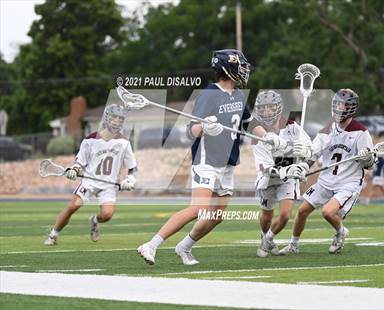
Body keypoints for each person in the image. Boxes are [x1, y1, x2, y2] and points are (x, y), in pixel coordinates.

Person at [137, 49, 299, 265]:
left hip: (227, 163)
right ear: (228, 68)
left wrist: (269, 137)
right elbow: (189, 130)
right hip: (207, 160)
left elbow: (249, 123)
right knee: (198, 209)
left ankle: (184, 247)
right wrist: (203, 126)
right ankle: (151, 244)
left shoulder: (239, 95)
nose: (243, 70)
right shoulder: (209, 94)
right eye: (240, 65)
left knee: (217, 215)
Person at [279, 88, 375, 255]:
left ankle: (341, 232)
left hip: (348, 182)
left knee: (328, 212)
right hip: (326, 180)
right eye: (336, 104)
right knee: (302, 211)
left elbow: (369, 165)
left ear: (350, 108)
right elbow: (314, 153)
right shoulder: (327, 129)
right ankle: (293, 245)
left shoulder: (361, 132)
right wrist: (303, 167)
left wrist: (366, 157)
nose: (338, 108)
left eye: (342, 105)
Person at [44, 104, 137, 245]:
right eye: (114, 118)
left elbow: (132, 167)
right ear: (106, 118)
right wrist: (74, 170)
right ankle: (53, 234)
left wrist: (130, 179)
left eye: (120, 119)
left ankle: (94, 221)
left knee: (107, 215)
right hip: (90, 182)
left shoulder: (124, 142)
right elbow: (80, 161)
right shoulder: (91, 140)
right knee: (73, 207)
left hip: (108, 185)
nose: (117, 121)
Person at [251, 90, 311, 257]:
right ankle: (264, 234)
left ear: (278, 108)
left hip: (288, 180)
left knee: (285, 215)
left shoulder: (292, 127)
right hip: (268, 179)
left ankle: (267, 240)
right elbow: (266, 169)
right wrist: (287, 170)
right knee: (267, 215)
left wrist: (304, 159)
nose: (266, 111)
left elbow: (311, 150)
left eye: (270, 107)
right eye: (263, 108)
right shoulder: (257, 134)